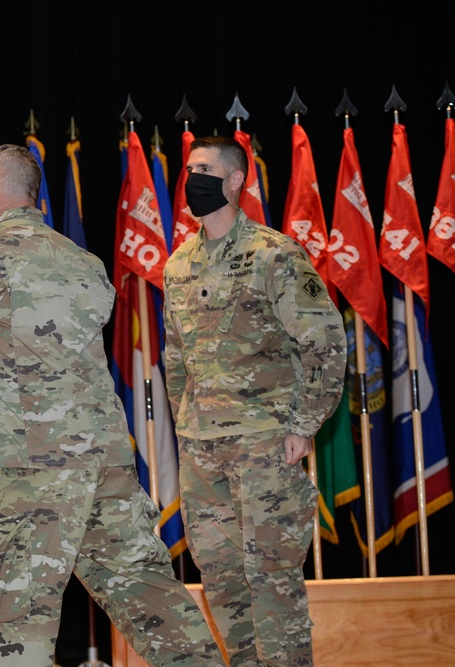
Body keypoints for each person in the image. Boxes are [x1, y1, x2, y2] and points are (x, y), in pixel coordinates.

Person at [0, 144, 224, 667]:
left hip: (28, 472)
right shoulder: (84, 262)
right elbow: (47, 366)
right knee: (154, 603)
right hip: (103, 462)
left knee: (14, 620)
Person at [162, 135, 346, 667]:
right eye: (188, 168)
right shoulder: (177, 265)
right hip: (202, 449)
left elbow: (325, 343)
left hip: (266, 444)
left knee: (271, 578)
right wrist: (185, 428)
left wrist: (302, 423)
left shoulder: (275, 254)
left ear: (236, 179)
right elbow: (177, 359)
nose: (192, 178)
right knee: (221, 580)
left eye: (204, 168)